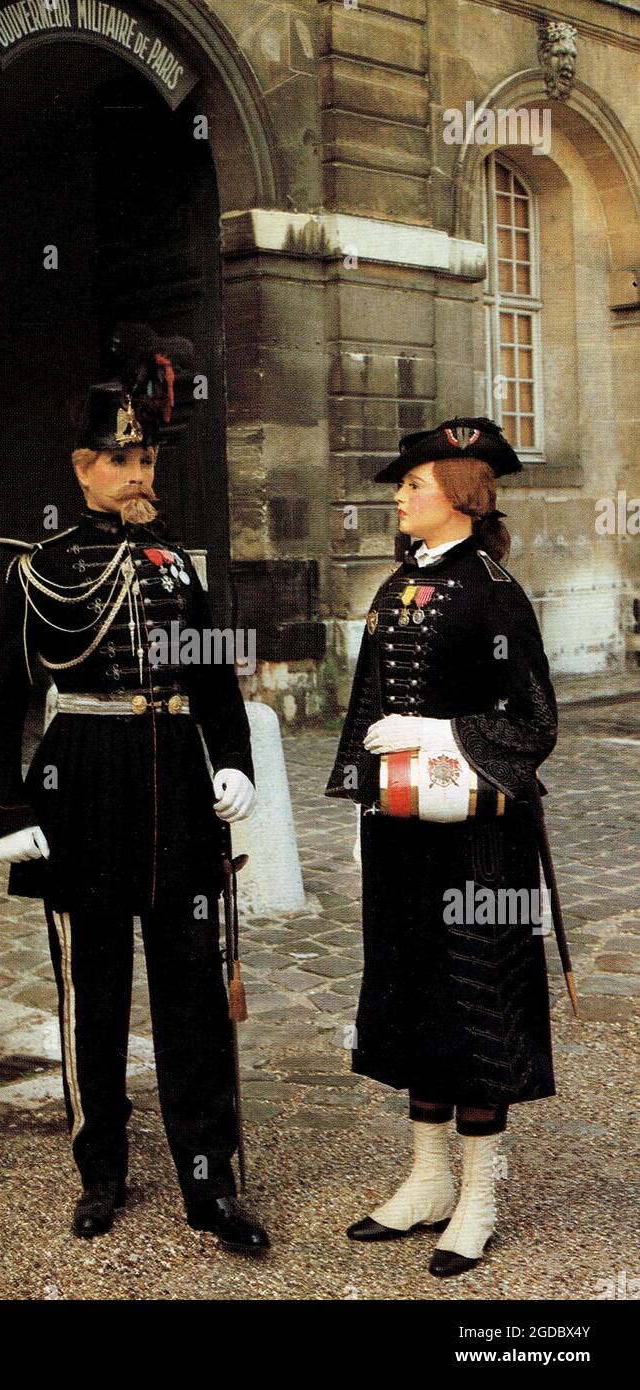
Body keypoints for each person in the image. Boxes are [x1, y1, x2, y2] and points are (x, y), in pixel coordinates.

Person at [0, 323, 269, 1254]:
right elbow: (4, 703)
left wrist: (234, 761)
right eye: (122, 459)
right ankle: (101, 1170)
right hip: (84, 789)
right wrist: (11, 809)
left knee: (189, 994)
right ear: (83, 468)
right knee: (93, 997)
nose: (141, 473)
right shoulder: (41, 570)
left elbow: (217, 678)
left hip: (177, 795)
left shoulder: (182, 565)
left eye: (146, 457)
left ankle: (208, 1183)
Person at [325, 417, 558, 1277]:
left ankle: (480, 1197)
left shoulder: (497, 592)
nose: (398, 498)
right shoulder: (396, 585)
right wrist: (364, 805)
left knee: (478, 1000)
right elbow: (363, 706)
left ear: (459, 497)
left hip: (480, 845)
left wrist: (438, 731)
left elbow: (535, 722)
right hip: (402, 835)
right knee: (409, 990)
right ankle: (426, 1180)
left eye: (413, 486)